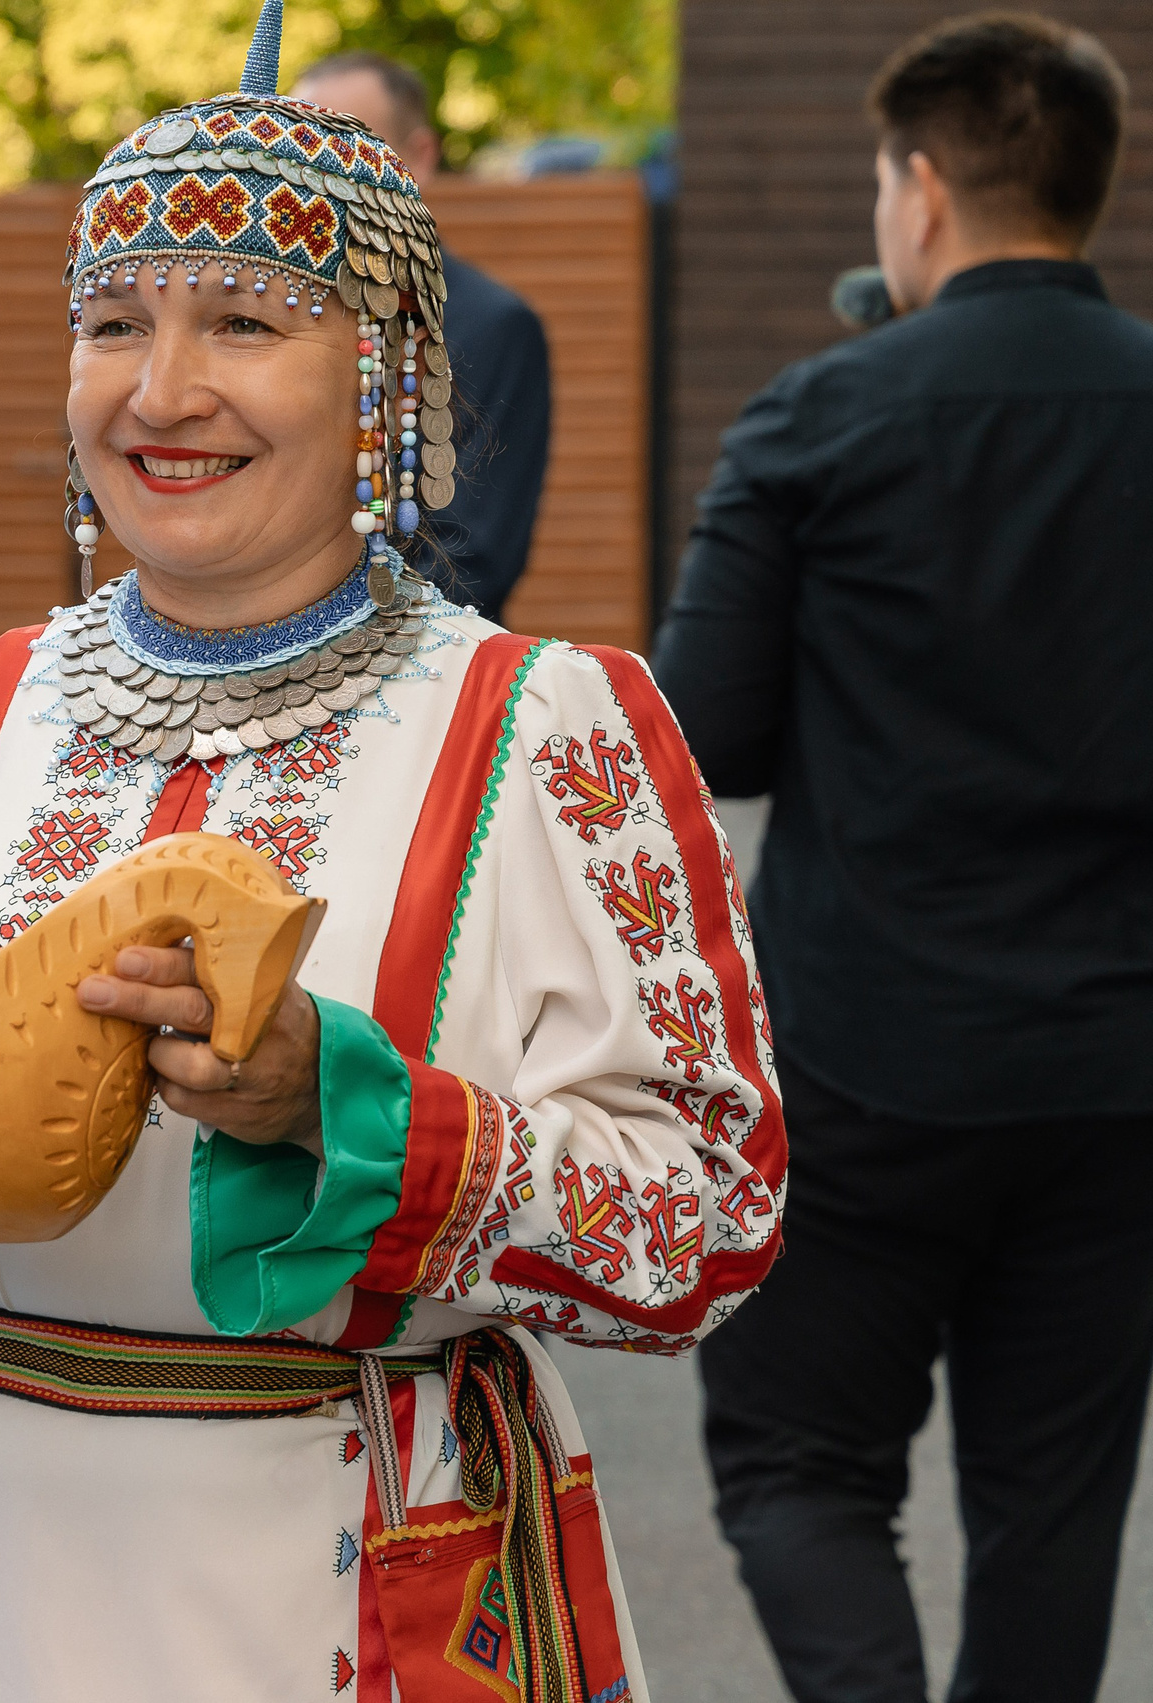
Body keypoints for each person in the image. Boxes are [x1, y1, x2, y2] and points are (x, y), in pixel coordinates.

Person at [0, 7, 782, 1695]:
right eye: (110, 323)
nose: (160, 391)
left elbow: (709, 1219)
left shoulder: (546, 729)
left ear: (379, 371)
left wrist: (343, 1108)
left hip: (360, 1565)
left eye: (242, 321)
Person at [652, 16, 1147, 1703]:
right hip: (1118, 1064)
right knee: (1054, 1509)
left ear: (921, 193)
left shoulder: (816, 417)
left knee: (797, 1461)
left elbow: (697, 733)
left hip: (869, 1050)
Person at [298, 50, 552, 622]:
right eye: (299, 153)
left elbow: (473, 556)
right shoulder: (276, 314)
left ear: (419, 159)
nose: (315, 178)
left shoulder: (491, 324)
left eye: (347, 150)